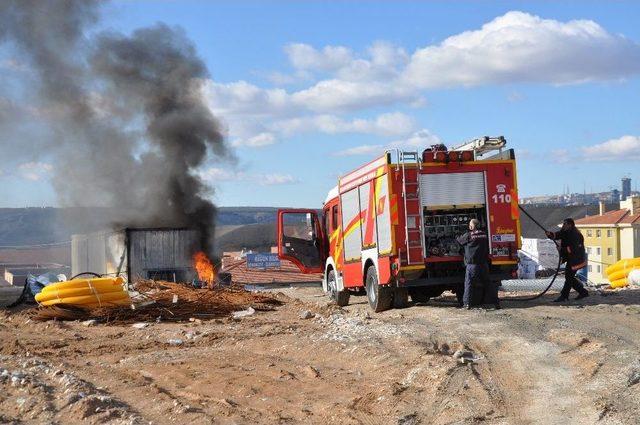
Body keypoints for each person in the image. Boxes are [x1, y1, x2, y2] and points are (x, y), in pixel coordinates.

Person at [456, 219, 500, 309]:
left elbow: (460, 241)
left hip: (472, 265)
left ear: (472, 226)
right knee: (488, 284)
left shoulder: (468, 235)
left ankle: (467, 304)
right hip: (483, 264)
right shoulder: (484, 234)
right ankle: (496, 303)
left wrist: (457, 235)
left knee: (469, 284)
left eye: (470, 225)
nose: (469, 226)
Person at [546, 218, 589, 302]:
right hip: (571, 258)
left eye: (565, 224)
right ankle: (583, 292)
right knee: (569, 277)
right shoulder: (565, 232)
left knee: (569, 277)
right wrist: (549, 234)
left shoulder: (575, 234)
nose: (563, 225)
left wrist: (562, 249)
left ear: (570, 225)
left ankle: (564, 296)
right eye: (563, 224)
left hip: (576, 259)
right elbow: (557, 235)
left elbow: (574, 248)